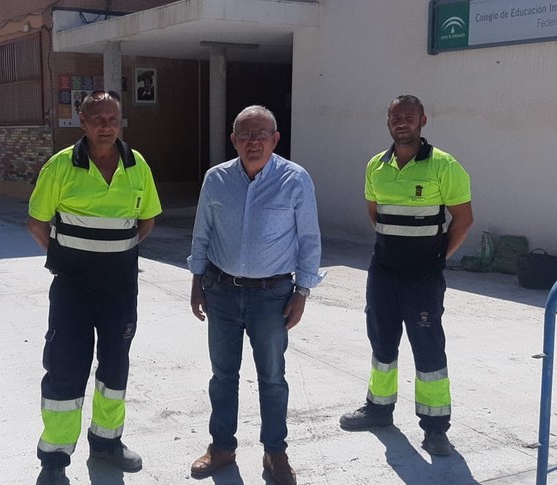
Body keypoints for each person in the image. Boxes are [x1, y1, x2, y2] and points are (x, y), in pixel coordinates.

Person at [26, 90, 162, 485]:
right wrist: (68, 259)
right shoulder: (61, 166)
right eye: (97, 118)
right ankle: (54, 458)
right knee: (65, 369)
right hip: (72, 291)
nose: (106, 125)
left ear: (121, 122)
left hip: (120, 291)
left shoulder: (137, 166)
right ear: (81, 123)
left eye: (113, 118)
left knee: (115, 368)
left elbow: (147, 220)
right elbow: (37, 223)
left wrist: (115, 255)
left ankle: (106, 443)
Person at [187, 105, 323, 485]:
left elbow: (309, 239)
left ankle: (275, 452)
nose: (253, 141)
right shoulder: (216, 179)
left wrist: (303, 291)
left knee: (273, 378)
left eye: (261, 133)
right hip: (221, 291)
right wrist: (197, 281)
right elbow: (202, 233)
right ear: (233, 140)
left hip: (273, 296)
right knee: (223, 375)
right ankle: (222, 447)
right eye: (245, 134)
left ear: (275, 139)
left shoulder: (295, 180)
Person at [338, 95, 473, 456]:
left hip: (422, 277)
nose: (402, 122)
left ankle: (435, 429)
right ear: (388, 123)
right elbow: (375, 214)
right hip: (383, 272)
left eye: (409, 117)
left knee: (428, 348)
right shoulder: (376, 166)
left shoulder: (444, 166)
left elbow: (464, 219)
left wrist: (436, 258)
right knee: (382, 343)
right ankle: (379, 410)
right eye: (396, 117)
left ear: (422, 121)